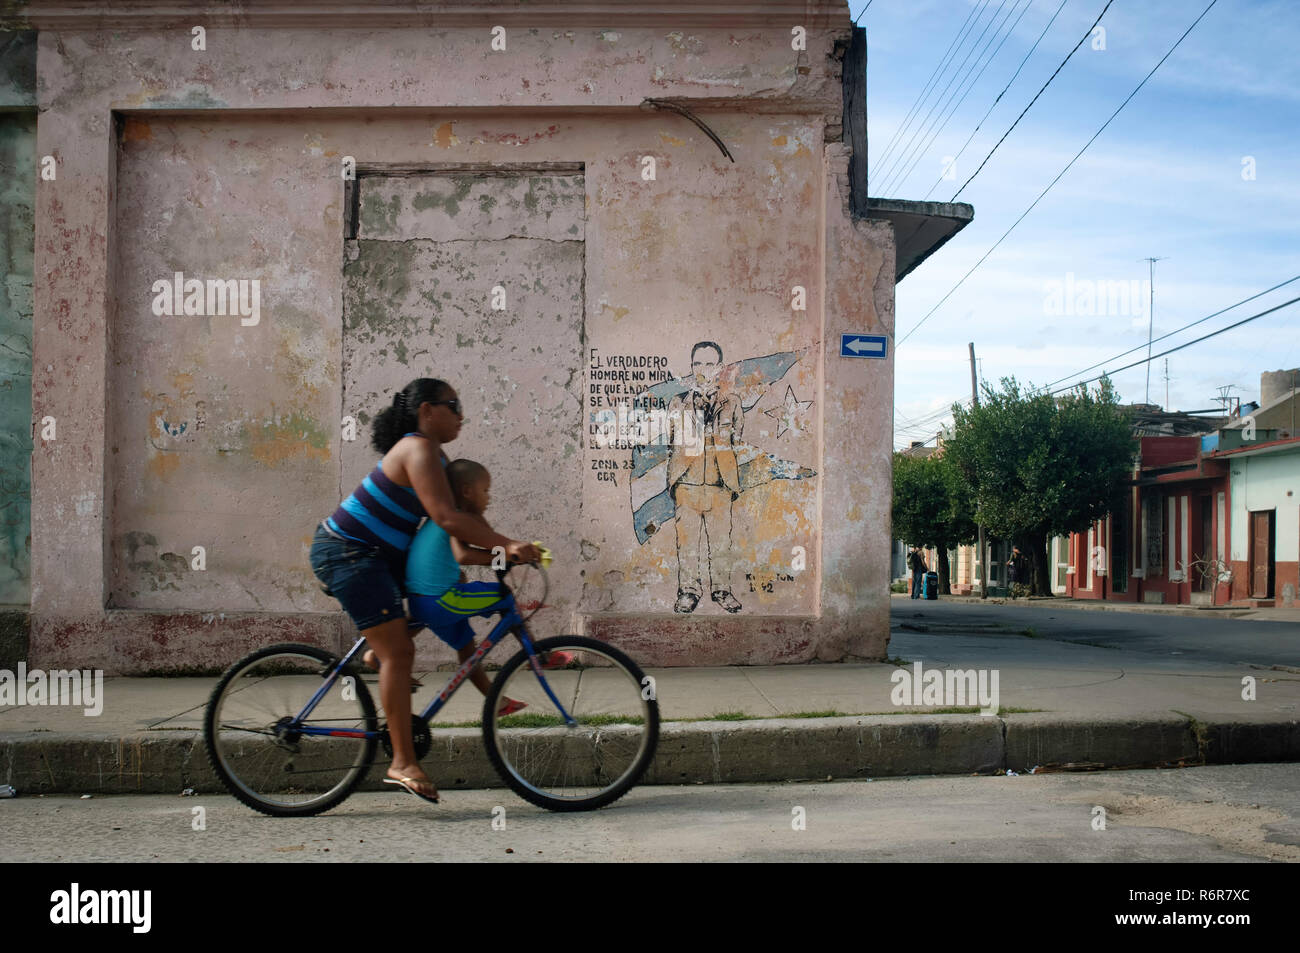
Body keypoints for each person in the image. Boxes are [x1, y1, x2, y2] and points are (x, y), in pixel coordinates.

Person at [309, 378, 538, 805]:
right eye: (454, 406)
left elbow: (455, 527)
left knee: (423, 607)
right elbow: (448, 518)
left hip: (377, 557)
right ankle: (401, 762)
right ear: (427, 411)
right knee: (401, 653)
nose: (461, 415)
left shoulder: (437, 456)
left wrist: (496, 551)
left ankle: (377, 653)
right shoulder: (419, 449)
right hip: (350, 553)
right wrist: (507, 545)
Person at [403, 458, 571, 717]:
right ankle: (537, 655)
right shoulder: (456, 517)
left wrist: (503, 555)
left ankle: (497, 703)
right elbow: (464, 555)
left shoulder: (447, 516)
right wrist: (508, 555)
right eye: (485, 491)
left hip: (422, 602)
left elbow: (475, 551)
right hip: (442, 598)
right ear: (467, 491)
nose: (489, 498)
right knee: (505, 597)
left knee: (467, 650)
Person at [665, 341, 744, 613]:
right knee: (687, 544)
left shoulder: (732, 403)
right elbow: (673, 441)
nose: (703, 369)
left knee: (721, 543)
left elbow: (737, 440)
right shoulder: (679, 402)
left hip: (720, 484)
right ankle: (688, 591)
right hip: (687, 482)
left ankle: (722, 590)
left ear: (720, 368)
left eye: (709, 364)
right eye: (697, 363)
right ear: (691, 366)